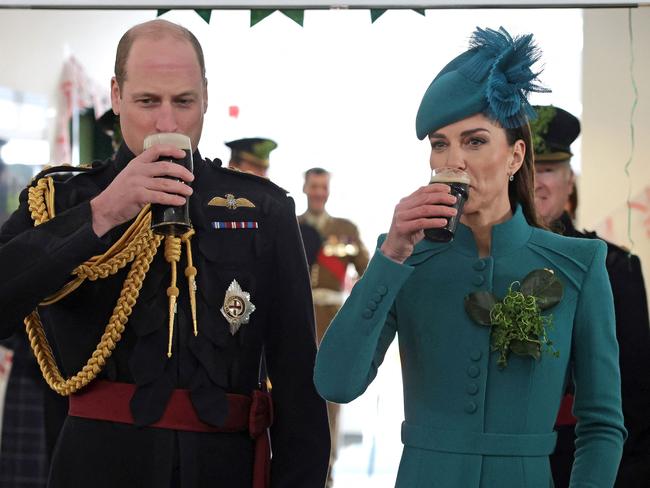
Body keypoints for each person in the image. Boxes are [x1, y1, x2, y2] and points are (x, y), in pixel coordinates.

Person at [0, 19, 329, 488]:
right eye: (148, 101)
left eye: (184, 102)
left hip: (223, 469)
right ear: (116, 96)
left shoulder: (263, 209)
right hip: (95, 468)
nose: (168, 124)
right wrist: (100, 215)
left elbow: (298, 386)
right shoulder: (61, 200)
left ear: (206, 98)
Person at [314, 27, 626, 487]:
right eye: (440, 143)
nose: (453, 160)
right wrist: (391, 253)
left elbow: (602, 426)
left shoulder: (579, 264)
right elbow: (336, 383)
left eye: (475, 141)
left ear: (516, 156)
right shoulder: (404, 258)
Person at [532, 104, 650, 488]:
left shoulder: (615, 268)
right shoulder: (485, 265)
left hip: (583, 461)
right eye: (526, 169)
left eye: (548, 169)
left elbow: (633, 398)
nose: (536, 182)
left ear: (569, 181)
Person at [298, 167, 369, 486]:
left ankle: (326, 471)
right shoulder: (290, 226)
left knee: (328, 398)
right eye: (314, 186)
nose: (318, 192)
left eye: (323, 187)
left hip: (330, 325)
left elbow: (368, 274)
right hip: (296, 319)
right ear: (305, 188)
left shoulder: (345, 230)